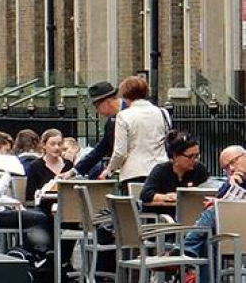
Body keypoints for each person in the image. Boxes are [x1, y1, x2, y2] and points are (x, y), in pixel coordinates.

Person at [181, 144, 246, 283]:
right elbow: (221, 197)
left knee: (214, 210)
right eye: (226, 168)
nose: (231, 169)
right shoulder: (235, 178)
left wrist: (223, 198)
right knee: (210, 241)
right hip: (234, 232)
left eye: (232, 163)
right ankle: (188, 248)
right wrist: (230, 185)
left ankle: (186, 247)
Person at [103, 76, 170, 184]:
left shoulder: (123, 116)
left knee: (136, 201)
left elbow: (120, 152)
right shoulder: (162, 113)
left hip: (134, 172)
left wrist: (109, 170)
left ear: (125, 96)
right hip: (161, 170)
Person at [139, 131, 208, 213]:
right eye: (190, 156)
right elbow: (146, 195)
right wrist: (169, 197)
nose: (195, 160)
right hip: (162, 217)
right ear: (175, 156)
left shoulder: (199, 170)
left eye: (197, 155)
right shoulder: (161, 170)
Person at [76, 81, 120, 177]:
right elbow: (101, 149)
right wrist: (75, 171)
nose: (97, 112)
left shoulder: (131, 114)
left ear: (107, 102)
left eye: (97, 107)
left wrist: (109, 170)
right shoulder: (110, 123)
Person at [23, 129, 75, 203]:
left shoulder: (68, 165)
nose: (56, 147)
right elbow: (30, 196)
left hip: (66, 206)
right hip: (43, 208)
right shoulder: (35, 166)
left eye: (59, 144)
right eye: (52, 144)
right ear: (44, 145)